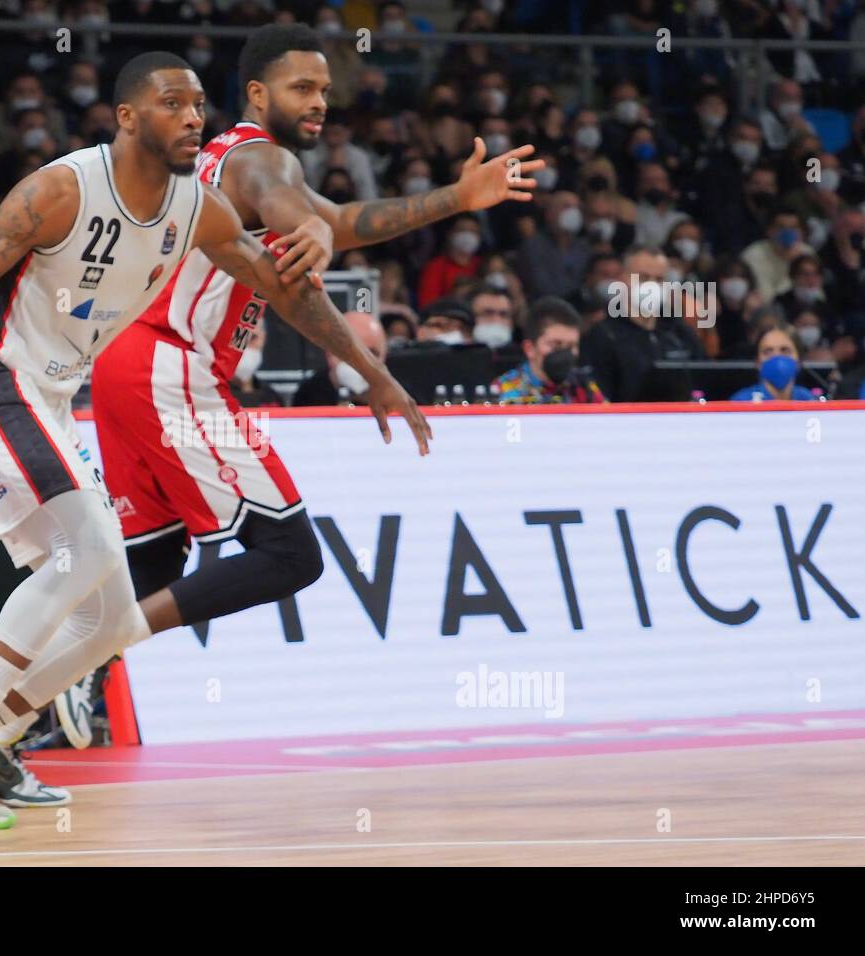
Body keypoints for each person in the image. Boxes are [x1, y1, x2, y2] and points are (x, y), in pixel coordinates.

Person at [0, 49, 432, 830]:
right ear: (128, 117)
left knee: (107, 609)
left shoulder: (198, 209)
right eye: (173, 103)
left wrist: (371, 371)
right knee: (87, 553)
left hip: (54, 395)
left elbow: (283, 290)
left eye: (199, 104)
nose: (193, 117)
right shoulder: (62, 189)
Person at [66, 24, 538, 753]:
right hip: (168, 365)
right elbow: (295, 264)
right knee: (290, 553)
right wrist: (374, 372)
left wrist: (455, 197)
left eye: (324, 89)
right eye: (303, 89)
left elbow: (339, 223)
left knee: (153, 561)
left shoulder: (236, 160)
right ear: (258, 93)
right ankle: (91, 652)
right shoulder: (260, 158)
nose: (321, 102)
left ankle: (6, 711)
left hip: (124, 364)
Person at [581, 247, 707, 401]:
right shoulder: (602, 336)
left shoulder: (680, 334)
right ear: (622, 280)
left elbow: (703, 383)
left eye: (659, 279)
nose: (652, 286)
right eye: (643, 278)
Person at [492, 297, 606, 404]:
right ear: (529, 349)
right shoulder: (503, 391)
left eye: (571, 346)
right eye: (556, 344)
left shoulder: (584, 387)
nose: (564, 353)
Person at [293, 312, 388, 406]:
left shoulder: (395, 395)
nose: (361, 363)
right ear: (329, 354)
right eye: (349, 353)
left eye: (371, 354)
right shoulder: (309, 395)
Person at [730, 322, 816, 401]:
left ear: (799, 360)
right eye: (768, 351)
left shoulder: (809, 400)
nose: (777, 357)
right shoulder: (742, 402)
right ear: (757, 362)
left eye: (785, 350)